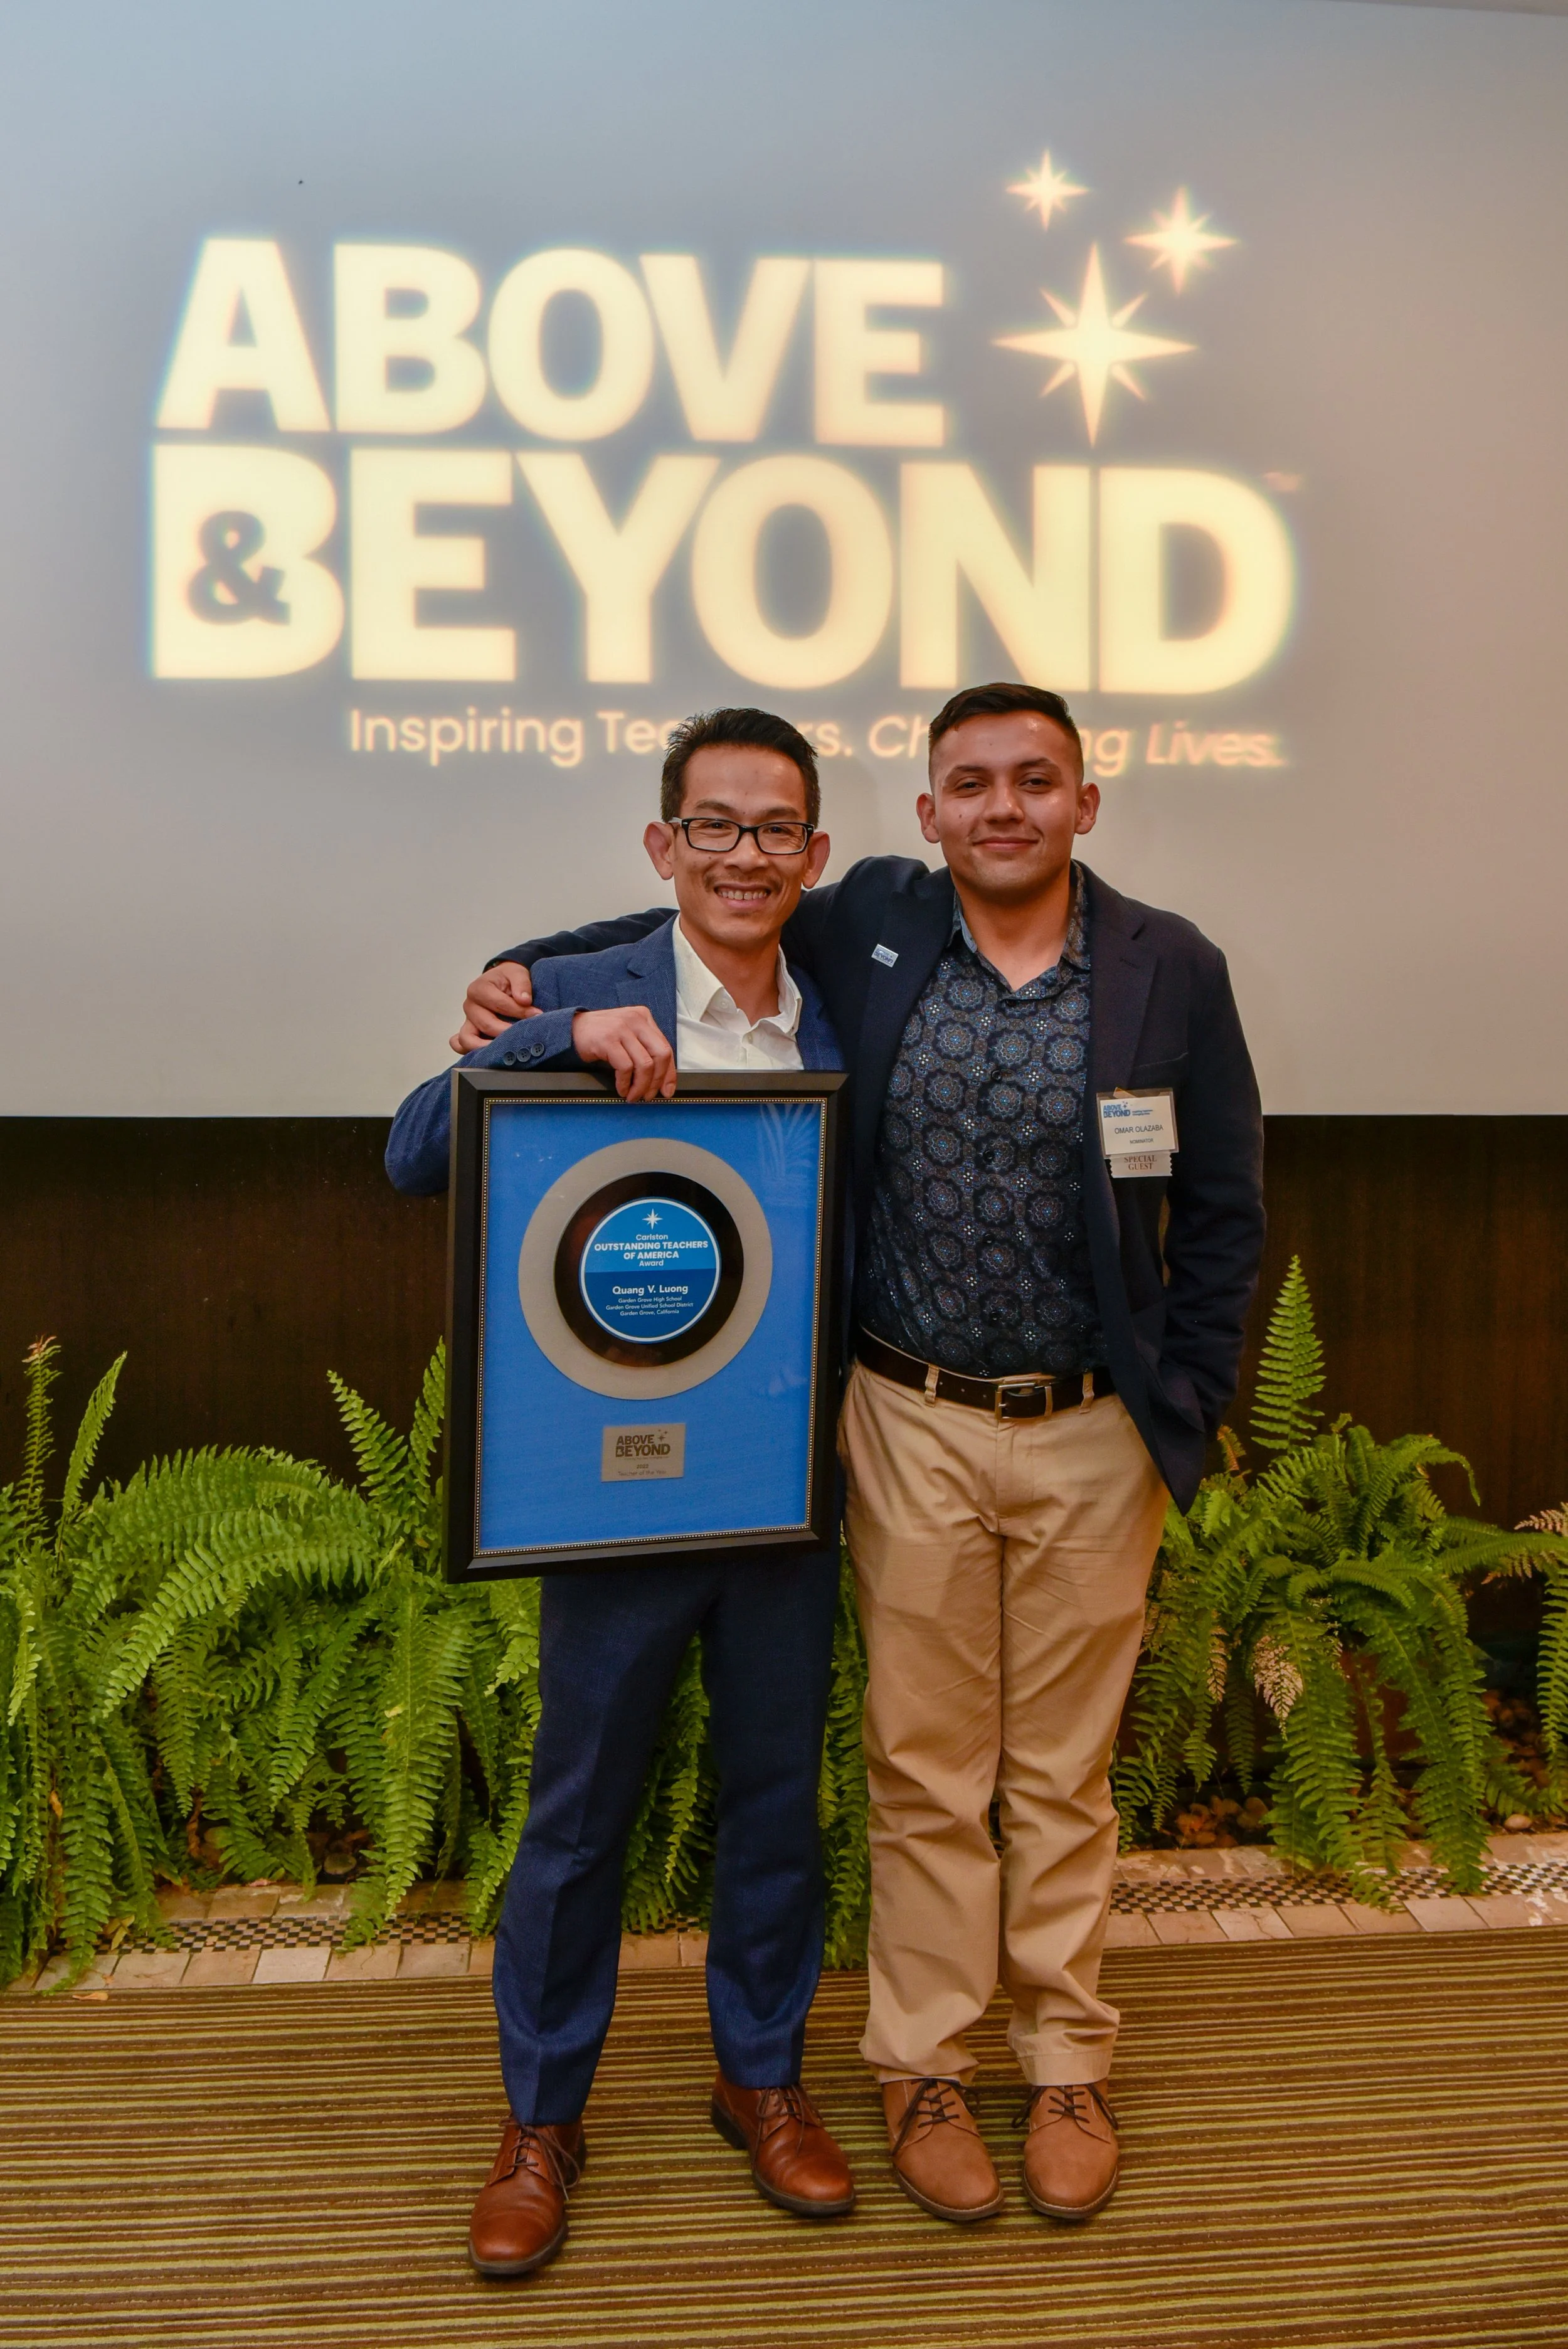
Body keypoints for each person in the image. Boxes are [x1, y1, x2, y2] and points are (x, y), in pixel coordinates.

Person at [453, 680, 1266, 2228]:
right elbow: (673, 926)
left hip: (1074, 1431)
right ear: (924, 817)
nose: (1004, 807)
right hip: (891, 1422)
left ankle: (1050, 2061)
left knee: (1042, 1776)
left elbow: (1223, 1206)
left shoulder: (1168, 968)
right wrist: (530, 990)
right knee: (911, 1771)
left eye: (1036, 781)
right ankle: (910, 2067)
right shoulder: (874, 929)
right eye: (971, 782)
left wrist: (1193, 1403)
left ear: (1085, 803)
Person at [387, 707, 857, 2279]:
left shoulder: (845, 1003)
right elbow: (406, 1153)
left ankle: (761, 2079)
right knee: (578, 1816)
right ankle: (540, 2119)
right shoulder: (572, 990)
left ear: (815, 852)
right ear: (663, 845)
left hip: (785, 1478)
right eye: (711, 827)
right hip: (612, 1493)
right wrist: (546, 1041)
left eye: (773, 827)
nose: (743, 855)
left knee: (775, 1802)